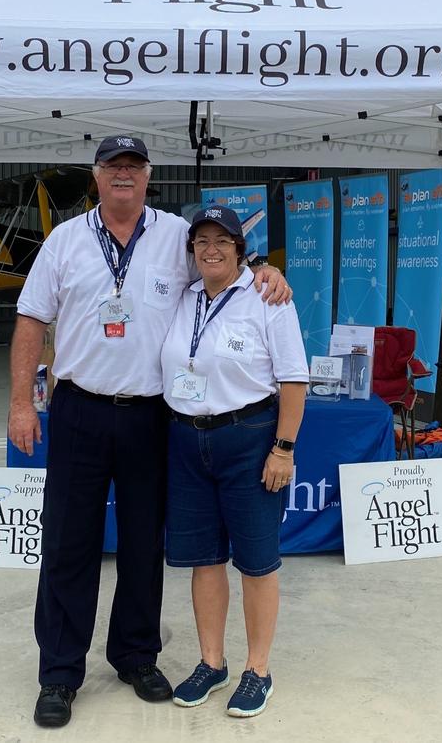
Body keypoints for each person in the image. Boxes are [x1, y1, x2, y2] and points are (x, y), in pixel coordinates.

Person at [7, 135, 291, 729]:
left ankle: (136, 655)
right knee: (67, 543)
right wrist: (20, 403)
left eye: (134, 167)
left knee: (143, 542)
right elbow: (31, 319)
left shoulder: (172, 236)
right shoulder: (64, 240)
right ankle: (59, 671)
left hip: (150, 415)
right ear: (96, 176)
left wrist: (267, 272)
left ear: (148, 176)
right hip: (80, 407)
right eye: (114, 167)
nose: (124, 176)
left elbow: (225, 265)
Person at [161, 205, 308, 718]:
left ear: (241, 251)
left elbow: (293, 380)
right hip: (185, 441)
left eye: (222, 240)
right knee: (204, 559)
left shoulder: (268, 297)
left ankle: (258, 670)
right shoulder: (183, 297)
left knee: (256, 561)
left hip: (249, 439)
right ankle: (212, 662)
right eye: (201, 241)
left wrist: (282, 449)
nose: (211, 249)